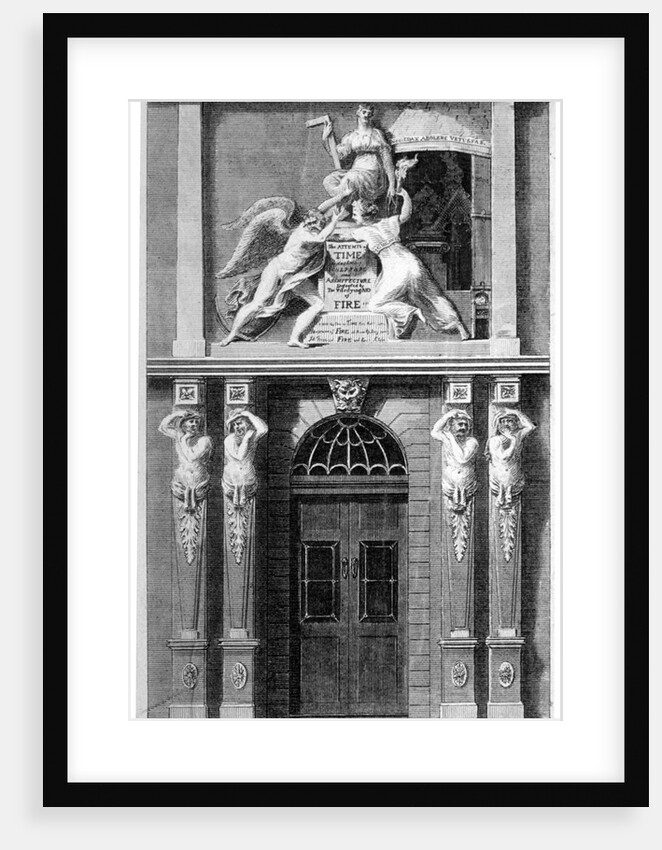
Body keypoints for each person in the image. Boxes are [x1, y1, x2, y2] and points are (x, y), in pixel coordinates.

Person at [349, 190, 471, 340]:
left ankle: (411, 312)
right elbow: (406, 214)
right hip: (411, 262)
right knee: (433, 296)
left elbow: (339, 236)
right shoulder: (388, 222)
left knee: (375, 305)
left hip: (396, 269)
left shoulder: (362, 231)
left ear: (364, 214)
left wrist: (334, 221)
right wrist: (406, 195)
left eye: (355, 213)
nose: (353, 217)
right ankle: (459, 327)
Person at [219, 209, 341, 348]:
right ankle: (232, 334)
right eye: (315, 222)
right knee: (257, 303)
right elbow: (321, 238)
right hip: (276, 268)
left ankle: (294, 338)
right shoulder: (304, 233)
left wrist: (340, 199)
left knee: (318, 304)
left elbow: (322, 210)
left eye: (320, 223)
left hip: (292, 275)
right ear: (308, 221)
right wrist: (335, 220)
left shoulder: (312, 230)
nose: (316, 225)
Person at [317, 104, 396, 215]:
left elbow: (387, 160)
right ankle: (333, 212)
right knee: (330, 180)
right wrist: (325, 138)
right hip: (356, 168)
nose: (366, 115)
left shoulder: (377, 134)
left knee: (351, 180)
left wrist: (392, 183)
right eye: (364, 112)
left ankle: (325, 211)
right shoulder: (352, 136)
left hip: (372, 172)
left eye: (369, 113)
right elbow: (336, 155)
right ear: (358, 113)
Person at [158, 411, 214, 511]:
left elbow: (191, 457)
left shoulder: (204, 440)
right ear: (183, 425)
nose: (194, 424)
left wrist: (184, 440)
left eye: (196, 422)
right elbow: (163, 427)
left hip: (197, 478)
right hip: (182, 479)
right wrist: (177, 414)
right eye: (191, 421)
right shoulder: (179, 436)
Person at [485, 410, 536, 508]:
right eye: (503, 421)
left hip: (514, 476)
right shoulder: (495, 440)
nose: (506, 424)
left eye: (509, 421)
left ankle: (507, 493)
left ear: (516, 423)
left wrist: (516, 412)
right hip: (500, 476)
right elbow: (503, 457)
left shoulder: (518, 435)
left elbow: (531, 427)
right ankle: (504, 493)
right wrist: (513, 441)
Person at [431, 410, 479, 509]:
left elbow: (462, 458)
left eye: (466, 425)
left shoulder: (471, 442)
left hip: (466, 482)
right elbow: (434, 432)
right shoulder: (447, 439)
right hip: (450, 483)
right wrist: (448, 415)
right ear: (451, 426)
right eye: (460, 424)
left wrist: (452, 439)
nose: (463, 427)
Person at [222, 409, 268, 507]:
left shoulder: (251, 437)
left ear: (247, 424)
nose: (236, 427)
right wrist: (246, 440)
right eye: (234, 425)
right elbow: (240, 456)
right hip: (232, 479)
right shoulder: (229, 439)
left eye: (239, 423)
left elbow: (263, 429)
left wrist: (249, 415)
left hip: (247, 478)